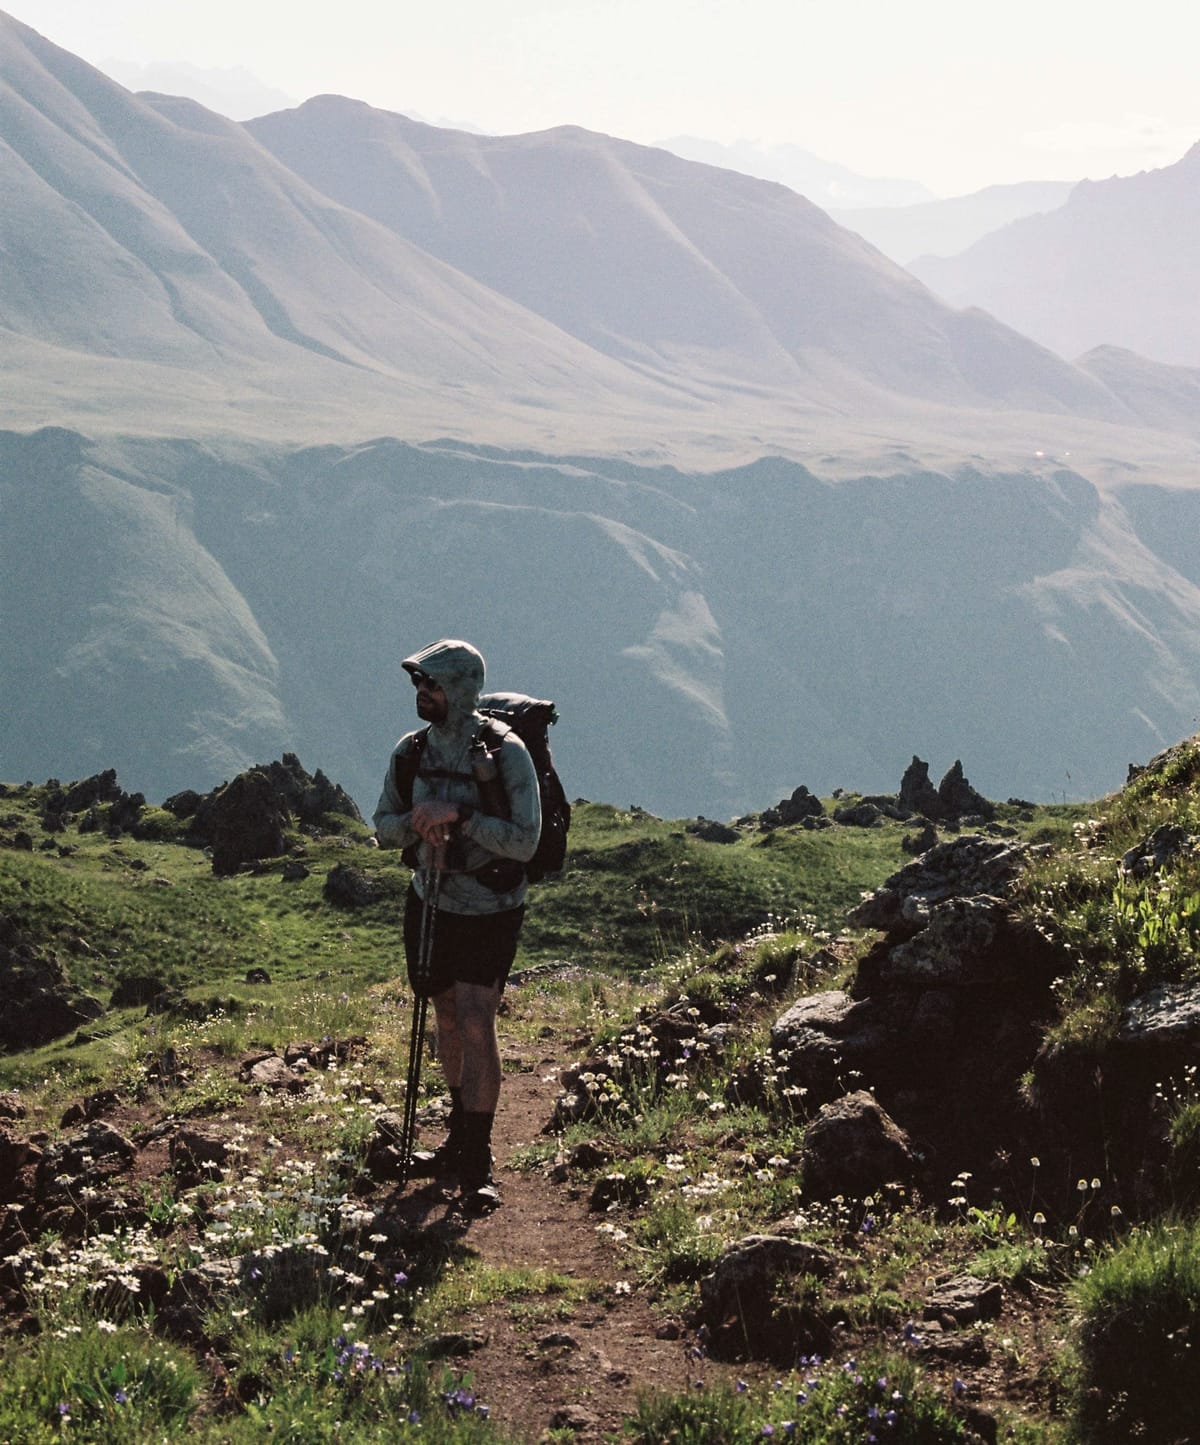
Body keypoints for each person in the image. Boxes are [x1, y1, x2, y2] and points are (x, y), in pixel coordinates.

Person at [373, 639, 540, 1215]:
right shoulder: (411, 752)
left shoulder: (507, 753)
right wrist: (418, 825)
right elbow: (383, 827)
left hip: (491, 907)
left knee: (474, 1014)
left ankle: (478, 1156)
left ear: (462, 690)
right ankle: (457, 1136)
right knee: (444, 1009)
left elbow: (526, 840)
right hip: (431, 899)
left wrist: (463, 817)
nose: (423, 694)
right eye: (420, 684)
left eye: (434, 685)